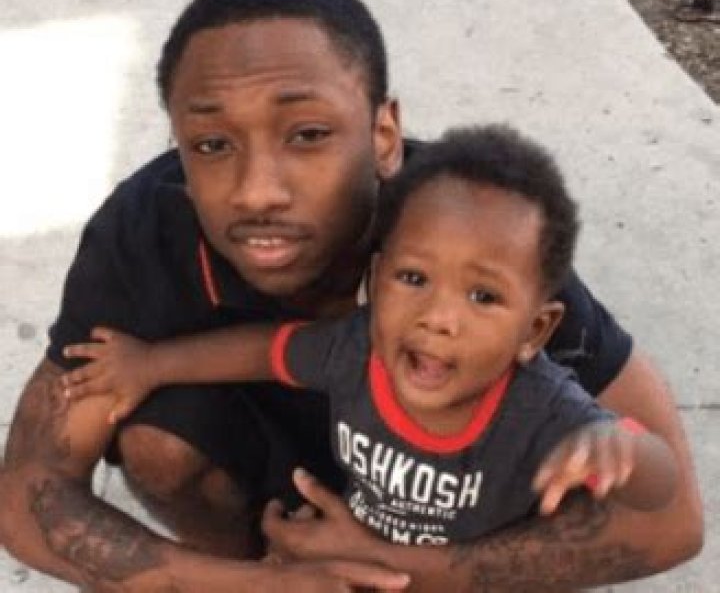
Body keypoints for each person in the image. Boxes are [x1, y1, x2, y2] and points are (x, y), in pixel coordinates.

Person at [0, 0, 702, 591]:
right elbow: (29, 499)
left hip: (450, 509)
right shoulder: (144, 237)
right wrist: (263, 585)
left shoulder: (470, 236)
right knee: (158, 440)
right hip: (275, 499)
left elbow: (672, 523)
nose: (257, 192)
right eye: (212, 145)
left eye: (307, 133)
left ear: (384, 134)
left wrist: (395, 568)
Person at [62, 124, 679, 548]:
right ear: (377, 280)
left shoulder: (544, 409)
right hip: (357, 546)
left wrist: (621, 449)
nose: (438, 317)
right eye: (414, 279)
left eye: (483, 297)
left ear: (535, 330)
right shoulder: (356, 349)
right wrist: (152, 364)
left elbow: (662, 488)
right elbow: (263, 350)